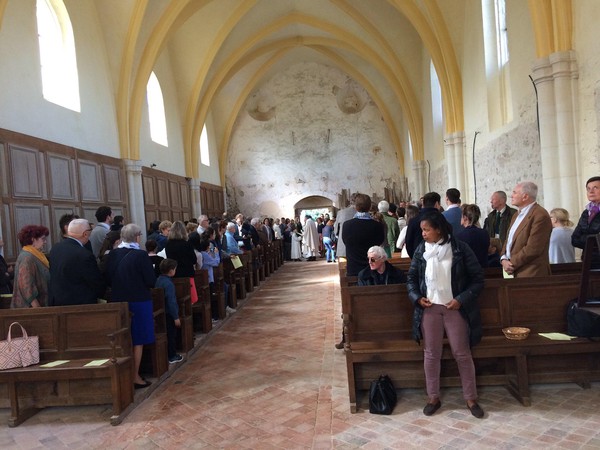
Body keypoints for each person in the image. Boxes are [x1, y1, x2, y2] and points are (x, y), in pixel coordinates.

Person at [406, 211, 484, 418]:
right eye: (422, 230)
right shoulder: (421, 250)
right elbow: (411, 278)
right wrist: (417, 297)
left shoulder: (459, 248)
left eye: (426, 230)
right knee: (431, 354)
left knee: (462, 353)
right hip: (430, 308)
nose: (423, 234)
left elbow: (478, 278)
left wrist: (461, 299)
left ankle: (471, 398)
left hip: (454, 308)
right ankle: (433, 397)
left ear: (438, 229)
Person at [105, 223, 156, 388]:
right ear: (137, 237)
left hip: (118, 301)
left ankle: (126, 376)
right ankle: (135, 376)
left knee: (124, 338)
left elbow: (107, 278)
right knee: (138, 339)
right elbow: (151, 281)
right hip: (139, 300)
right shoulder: (141, 255)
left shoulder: (113, 254)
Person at [500, 182, 553, 277]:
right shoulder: (516, 215)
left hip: (531, 273)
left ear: (525, 197)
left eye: (515, 192)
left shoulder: (540, 215)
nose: (511, 196)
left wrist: (511, 263)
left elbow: (533, 248)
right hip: (512, 272)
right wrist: (503, 258)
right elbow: (509, 240)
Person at [49, 219, 106, 306]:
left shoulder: (56, 248)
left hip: (57, 302)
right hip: (80, 305)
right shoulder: (84, 255)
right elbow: (96, 282)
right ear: (85, 234)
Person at [342, 193, 385, 276]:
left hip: (354, 268)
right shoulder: (377, 225)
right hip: (373, 268)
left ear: (355, 207)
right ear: (370, 207)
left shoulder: (347, 225)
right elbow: (380, 242)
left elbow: (346, 242)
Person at [11, 225, 50, 308]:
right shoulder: (27, 257)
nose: (45, 242)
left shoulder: (36, 255)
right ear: (33, 240)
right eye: (43, 239)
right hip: (29, 309)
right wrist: (38, 310)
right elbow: (26, 287)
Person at [155, 258, 183, 364]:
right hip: (169, 313)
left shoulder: (159, 280)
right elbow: (171, 301)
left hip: (161, 312)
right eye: (175, 269)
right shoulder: (169, 284)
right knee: (171, 335)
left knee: (168, 333)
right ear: (171, 271)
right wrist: (176, 317)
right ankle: (172, 355)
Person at [163, 221, 199, 304]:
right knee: (191, 301)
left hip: (174, 275)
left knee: (178, 300)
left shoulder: (168, 244)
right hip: (187, 274)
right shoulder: (187, 244)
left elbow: (170, 259)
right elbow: (194, 260)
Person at [571, 176, 600, 268]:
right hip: (588, 262)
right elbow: (575, 239)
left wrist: (585, 238)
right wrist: (592, 238)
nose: (591, 191)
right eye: (588, 189)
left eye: (595, 188)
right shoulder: (586, 212)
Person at [405, 192, 442, 258]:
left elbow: (408, 242)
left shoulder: (414, 220)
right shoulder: (441, 219)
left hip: (419, 257)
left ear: (423, 204)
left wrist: (414, 258)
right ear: (437, 204)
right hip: (439, 257)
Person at [334, 193, 358, 258]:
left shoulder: (341, 212)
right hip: (360, 248)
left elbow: (336, 231)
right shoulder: (362, 212)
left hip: (344, 247)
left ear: (350, 201)